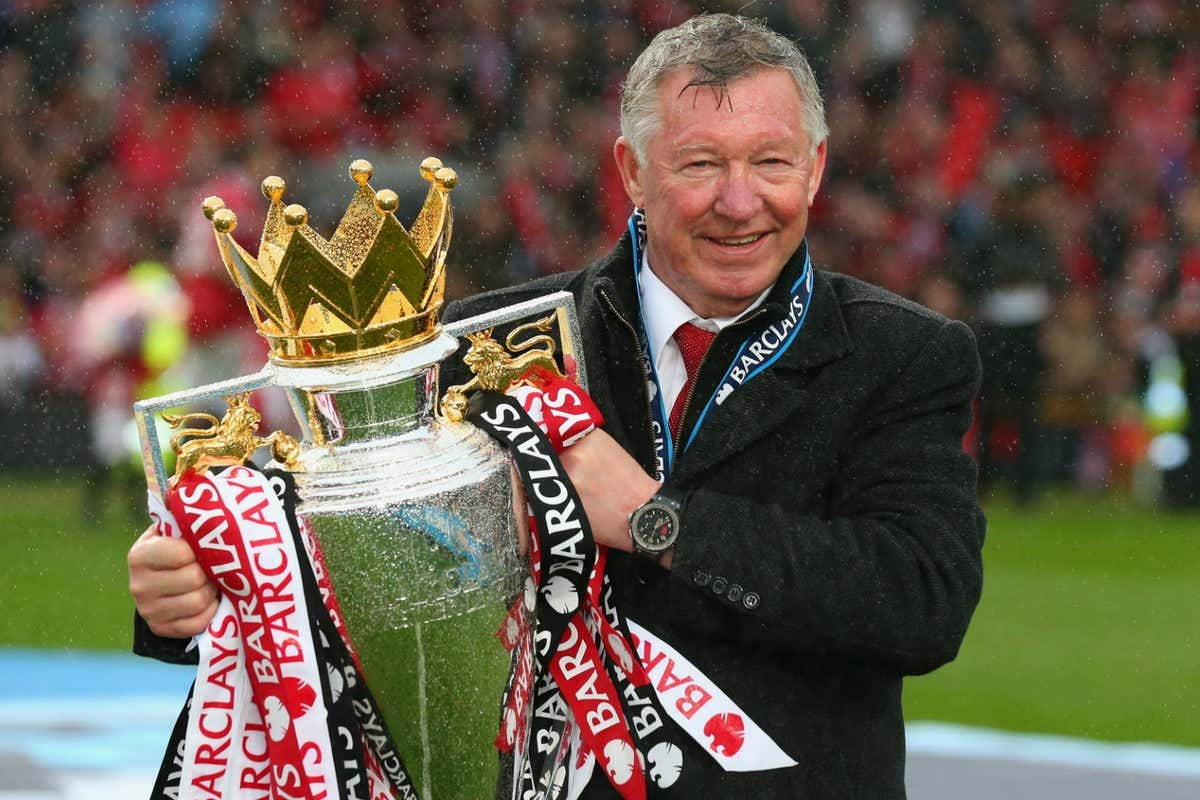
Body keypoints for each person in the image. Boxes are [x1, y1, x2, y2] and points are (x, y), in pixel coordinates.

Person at [129, 13, 985, 798]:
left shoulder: (902, 355)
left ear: (816, 166)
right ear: (632, 172)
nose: (739, 200)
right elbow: (365, 569)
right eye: (700, 164)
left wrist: (659, 522)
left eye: (770, 161)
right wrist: (198, 594)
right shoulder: (480, 353)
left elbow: (921, 605)